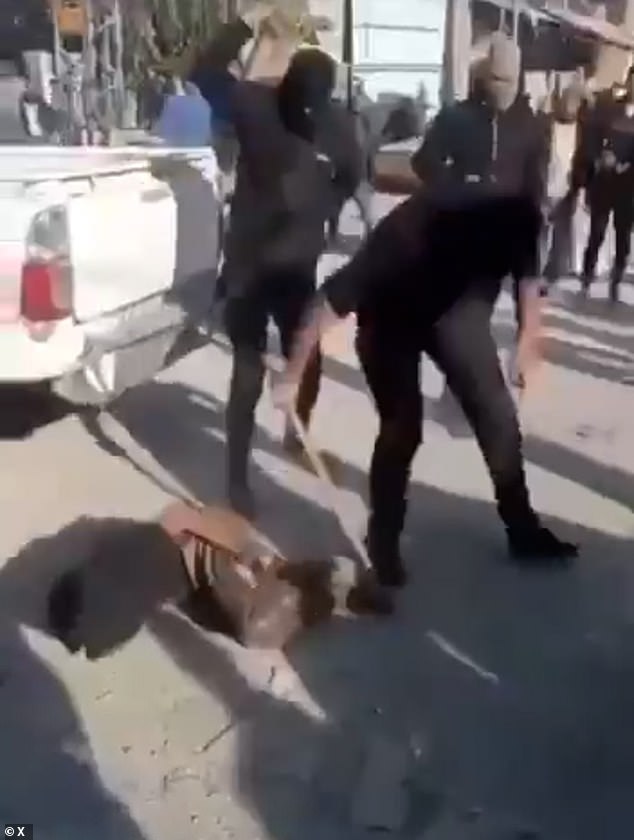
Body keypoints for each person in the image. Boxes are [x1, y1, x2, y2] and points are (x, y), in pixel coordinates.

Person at [272, 36, 578, 588]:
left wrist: (528, 345)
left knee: (497, 414)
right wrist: (291, 377)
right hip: (390, 320)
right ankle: (382, 542)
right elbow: (326, 304)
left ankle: (522, 526)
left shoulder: (514, 216)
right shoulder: (405, 234)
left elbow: (529, 284)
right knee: (402, 427)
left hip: (456, 313)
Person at [222, 43, 363, 517]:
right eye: (301, 106)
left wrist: (330, 211)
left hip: (296, 267)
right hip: (246, 266)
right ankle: (237, 479)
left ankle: (294, 433)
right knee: (247, 372)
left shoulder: (338, 125)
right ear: (285, 89)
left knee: (307, 360)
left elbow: (352, 176)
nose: (307, 117)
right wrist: (249, 23)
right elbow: (204, 69)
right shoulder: (253, 104)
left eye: (314, 109)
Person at [578, 67, 634, 302]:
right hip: (604, 181)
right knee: (597, 232)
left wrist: (626, 164)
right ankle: (587, 276)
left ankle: (616, 279)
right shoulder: (610, 109)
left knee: (623, 235)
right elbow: (593, 138)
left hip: (628, 185)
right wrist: (600, 157)